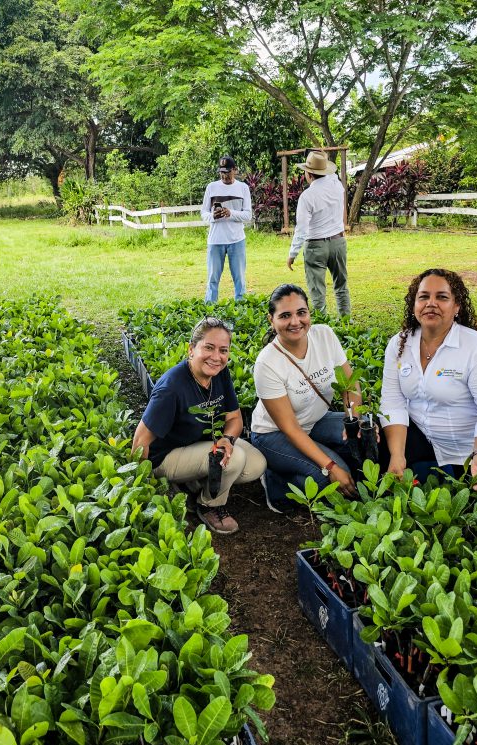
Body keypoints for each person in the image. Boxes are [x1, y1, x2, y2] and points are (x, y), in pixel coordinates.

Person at [379, 268, 477, 491]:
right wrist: (397, 456)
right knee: (382, 462)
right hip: (427, 439)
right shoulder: (399, 344)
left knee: (475, 506)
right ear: (414, 304)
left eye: (442, 297)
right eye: (423, 296)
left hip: (476, 450)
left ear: (456, 306)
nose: (431, 303)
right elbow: (392, 402)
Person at [132, 317, 267, 534]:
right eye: (209, 347)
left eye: (223, 350)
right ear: (191, 349)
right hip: (165, 457)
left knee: (255, 464)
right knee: (234, 460)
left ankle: (191, 484)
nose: (216, 357)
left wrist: (228, 439)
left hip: (199, 444)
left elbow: (234, 418)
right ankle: (209, 505)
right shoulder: (172, 387)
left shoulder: (219, 373)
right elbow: (140, 440)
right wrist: (143, 486)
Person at [249, 284, 360, 513]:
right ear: (272, 320)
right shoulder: (267, 363)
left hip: (316, 420)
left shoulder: (325, 335)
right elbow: (291, 429)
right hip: (274, 434)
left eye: (301, 312)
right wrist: (330, 466)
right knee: (327, 480)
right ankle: (275, 482)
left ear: (309, 313)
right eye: (285, 315)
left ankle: (308, 462)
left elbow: (349, 385)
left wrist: (353, 420)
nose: (295, 322)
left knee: (368, 438)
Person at [286, 150, 350, 317]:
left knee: (317, 291)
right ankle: (346, 323)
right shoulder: (337, 186)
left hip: (315, 245)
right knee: (341, 286)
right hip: (338, 242)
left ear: (309, 174)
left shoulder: (307, 196)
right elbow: (333, 176)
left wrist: (292, 253)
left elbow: (301, 229)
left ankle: (322, 324)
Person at [200, 155, 253, 303]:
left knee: (240, 279)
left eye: (228, 172)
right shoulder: (212, 187)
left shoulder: (243, 188)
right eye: (222, 172)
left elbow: (248, 215)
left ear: (235, 170)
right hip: (215, 239)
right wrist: (213, 216)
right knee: (212, 278)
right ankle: (209, 309)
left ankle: (240, 308)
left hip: (237, 239)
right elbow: (203, 213)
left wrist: (231, 213)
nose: (225, 175)